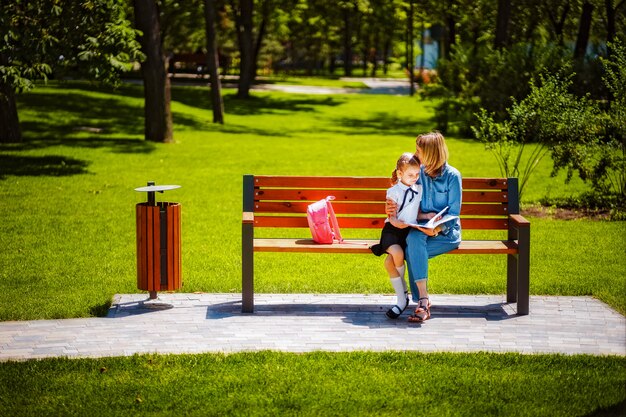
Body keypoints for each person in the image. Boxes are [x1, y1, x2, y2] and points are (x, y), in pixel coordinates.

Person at [387, 131, 462, 323]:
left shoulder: (453, 177)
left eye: (418, 150)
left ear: (430, 153)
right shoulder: (419, 173)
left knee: (412, 250)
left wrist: (436, 229)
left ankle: (421, 301)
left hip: (446, 234)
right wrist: (392, 203)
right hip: (420, 229)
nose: (415, 153)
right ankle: (423, 300)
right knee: (413, 240)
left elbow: (453, 214)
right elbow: (401, 184)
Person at [370, 153, 422, 319]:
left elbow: (419, 210)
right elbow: (391, 214)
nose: (414, 178)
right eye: (410, 175)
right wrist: (395, 221)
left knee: (388, 262)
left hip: (408, 231)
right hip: (392, 229)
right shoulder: (393, 191)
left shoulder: (419, 189)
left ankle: (401, 300)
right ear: (400, 174)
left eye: (417, 175)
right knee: (397, 253)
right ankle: (403, 289)